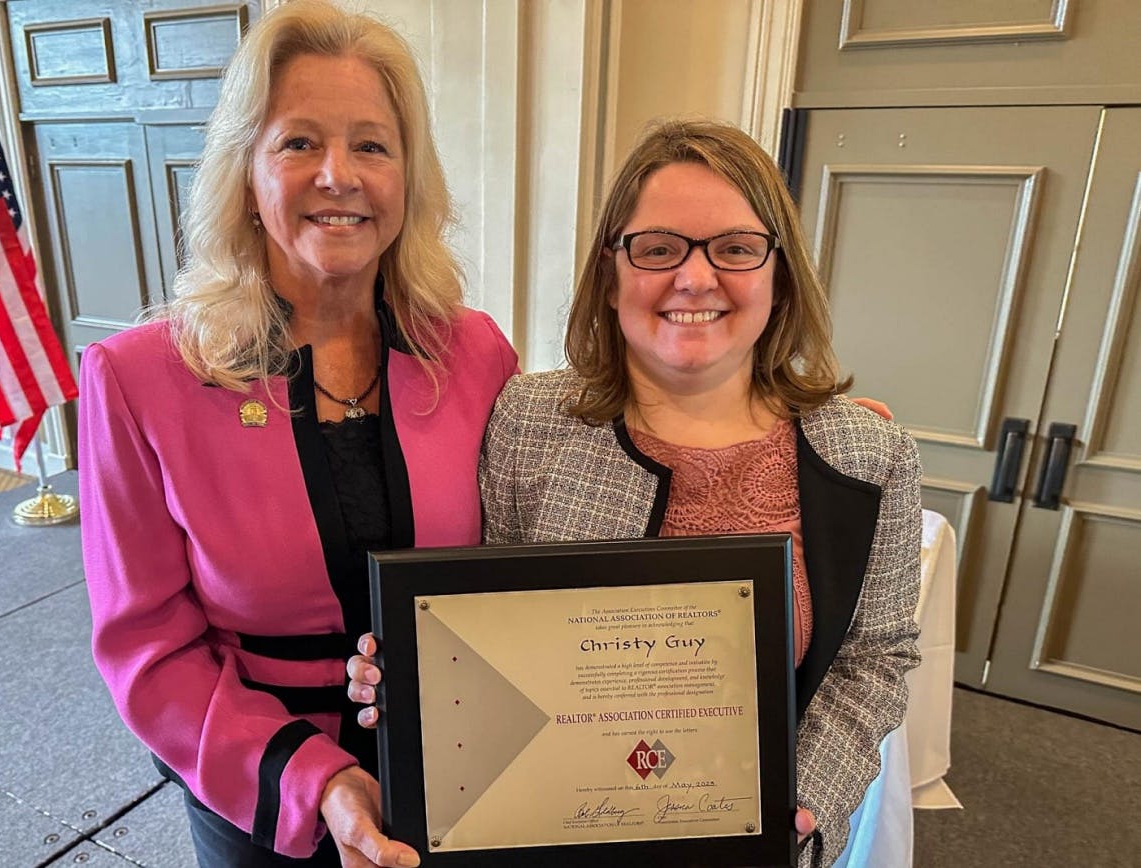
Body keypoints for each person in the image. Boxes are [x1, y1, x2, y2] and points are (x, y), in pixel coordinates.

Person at [348, 119, 921, 868]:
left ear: (778, 275)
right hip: (552, 840)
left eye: (737, 248)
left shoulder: (870, 456)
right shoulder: (527, 421)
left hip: (764, 845)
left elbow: (875, 659)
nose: (695, 278)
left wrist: (802, 795)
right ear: (611, 272)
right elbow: (486, 623)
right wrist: (421, 669)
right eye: (658, 248)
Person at [77, 1, 516, 866]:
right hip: (259, 788)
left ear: (408, 177)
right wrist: (320, 782)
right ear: (246, 172)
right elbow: (149, 649)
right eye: (298, 143)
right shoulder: (138, 381)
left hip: (466, 770)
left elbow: (530, 556)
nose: (338, 175)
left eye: (372, 145)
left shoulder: (475, 353)